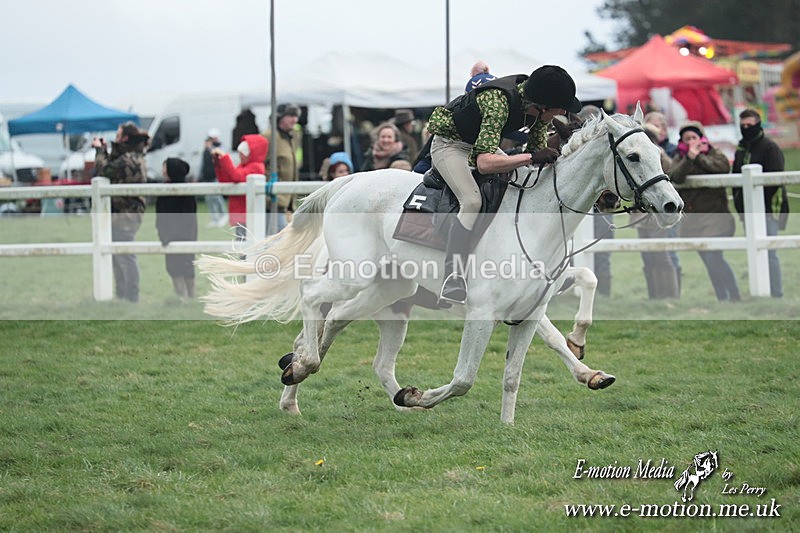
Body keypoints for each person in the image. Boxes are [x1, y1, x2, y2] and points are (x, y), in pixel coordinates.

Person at [426, 65, 582, 304]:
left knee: (521, 182)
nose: (562, 113)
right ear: (543, 106)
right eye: (560, 109)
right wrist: (531, 157)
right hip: (451, 146)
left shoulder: (537, 111)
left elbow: (536, 154)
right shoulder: (497, 102)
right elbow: (485, 164)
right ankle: (454, 277)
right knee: (472, 200)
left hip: (478, 146)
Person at [669, 121, 740, 302]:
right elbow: (676, 176)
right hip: (693, 222)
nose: (691, 142)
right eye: (687, 139)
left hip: (717, 218)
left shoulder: (714, 153)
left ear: (702, 138)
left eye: (694, 137)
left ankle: (734, 296)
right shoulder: (679, 157)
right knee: (709, 262)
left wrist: (699, 156)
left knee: (714, 257)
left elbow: (723, 168)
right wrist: (689, 158)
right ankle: (722, 298)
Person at [92, 122, 150, 303]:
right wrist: (106, 150)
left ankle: (131, 297)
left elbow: (104, 170)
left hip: (126, 214)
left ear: (125, 138)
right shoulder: (130, 155)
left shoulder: (129, 159)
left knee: (125, 256)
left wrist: (100, 152)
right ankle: (122, 296)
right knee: (118, 256)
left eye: (118, 135)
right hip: (122, 212)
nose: (115, 138)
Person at [732, 109, 786, 298]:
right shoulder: (741, 148)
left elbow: (775, 180)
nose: (746, 128)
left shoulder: (770, 147)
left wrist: (759, 205)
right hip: (747, 209)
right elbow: (735, 178)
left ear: (758, 124)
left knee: (769, 252)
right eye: (743, 125)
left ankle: (776, 293)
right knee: (754, 251)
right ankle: (760, 291)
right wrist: (741, 204)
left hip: (768, 209)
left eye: (749, 125)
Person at [633, 124, 680, 299]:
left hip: (658, 212)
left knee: (661, 255)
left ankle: (670, 295)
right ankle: (655, 295)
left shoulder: (657, 153)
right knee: (648, 256)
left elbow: (670, 169)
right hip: (643, 214)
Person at [212, 134, 268, 241]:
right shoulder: (245, 166)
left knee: (244, 247)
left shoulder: (256, 167)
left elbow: (236, 176)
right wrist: (219, 164)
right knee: (242, 246)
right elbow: (227, 180)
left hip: (247, 215)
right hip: (242, 214)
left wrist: (225, 157)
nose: (240, 156)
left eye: (243, 154)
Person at [156, 158, 197, 299]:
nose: (163, 170)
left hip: (186, 236)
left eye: (165, 167)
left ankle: (191, 296)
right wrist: (163, 234)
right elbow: (160, 218)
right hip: (168, 237)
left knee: (187, 266)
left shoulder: (187, 192)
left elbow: (189, 219)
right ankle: (181, 297)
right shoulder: (163, 192)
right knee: (173, 267)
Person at [262, 103, 301, 234]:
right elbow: (260, 165)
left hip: (286, 202)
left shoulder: (291, 136)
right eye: (290, 115)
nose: (294, 120)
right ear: (279, 117)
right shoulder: (269, 136)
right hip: (272, 201)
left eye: (296, 116)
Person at [200, 128, 228, 228]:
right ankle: (214, 219)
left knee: (217, 197)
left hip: (215, 176)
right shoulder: (206, 150)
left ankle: (223, 215)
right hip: (207, 177)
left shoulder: (219, 148)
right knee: (209, 199)